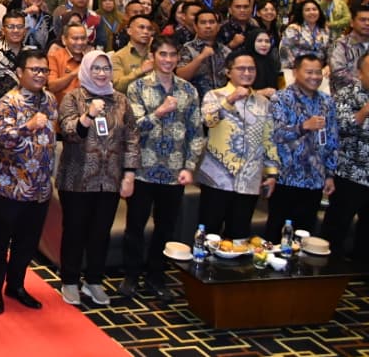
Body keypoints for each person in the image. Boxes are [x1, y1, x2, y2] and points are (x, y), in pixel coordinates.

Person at [120, 35, 204, 300]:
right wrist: (159, 112)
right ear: (153, 57)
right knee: (135, 226)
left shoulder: (188, 90)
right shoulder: (137, 88)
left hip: (174, 173)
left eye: (172, 55)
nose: (168, 60)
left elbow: (196, 133)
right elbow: (132, 129)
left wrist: (189, 166)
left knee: (166, 228)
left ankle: (156, 276)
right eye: (163, 55)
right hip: (144, 169)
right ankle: (131, 275)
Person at [55, 50, 137, 307]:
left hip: (109, 179)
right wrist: (88, 115)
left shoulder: (121, 100)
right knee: (75, 232)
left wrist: (130, 173)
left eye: (106, 69)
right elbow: (69, 133)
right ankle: (69, 280)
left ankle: (94, 281)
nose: (102, 74)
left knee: (100, 232)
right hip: (77, 179)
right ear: (86, 71)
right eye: (96, 69)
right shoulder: (73, 97)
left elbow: (132, 138)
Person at [0, 50, 57, 315]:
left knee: (27, 243)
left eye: (44, 70)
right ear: (19, 73)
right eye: (34, 70)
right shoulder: (8, 102)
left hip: (39, 189)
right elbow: (1, 139)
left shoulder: (50, 100)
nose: (40, 75)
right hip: (8, 187)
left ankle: (16, 285)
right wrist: (28, 126)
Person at [196, 51, 280, 238]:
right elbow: (208, 121)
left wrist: (272, 173)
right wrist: (230, 100)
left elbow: (269, 139)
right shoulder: (214, 95)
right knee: (208, 234)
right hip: (217, 179)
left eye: (251, 69)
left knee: (239, 236)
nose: (247, 73)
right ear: (228, 72)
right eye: (241, 68)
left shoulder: (263, 103)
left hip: (249, 180)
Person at [266, 54, 338, 239]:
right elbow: (274, 135)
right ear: (296, 72)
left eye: (318, 72)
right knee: (276, 232)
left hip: (315, 179)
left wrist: (329, 174)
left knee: (304, 235)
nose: (314, 76)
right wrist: (303, 126)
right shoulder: (281, 98)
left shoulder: (327, 102)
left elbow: (331, 139)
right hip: (286, 178)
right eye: (309, 72)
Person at [321, 53, 369, 262]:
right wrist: (364, 112)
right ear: (360, 72)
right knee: (337, 226)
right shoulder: (345, 95)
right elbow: (336, 128)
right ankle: (328, 274)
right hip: (348, 172)